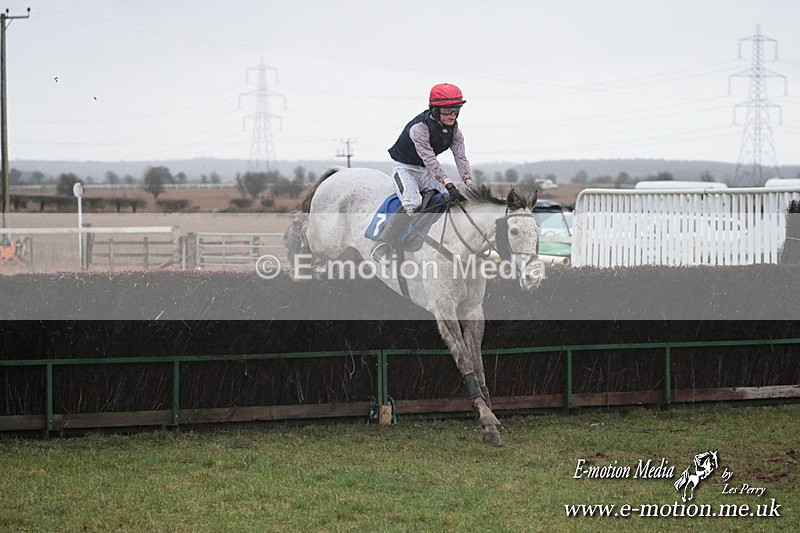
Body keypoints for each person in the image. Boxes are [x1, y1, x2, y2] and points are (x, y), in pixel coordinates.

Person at [370, 83, 475, 261]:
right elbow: (430, 159)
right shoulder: (418, 128)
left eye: (456, 110)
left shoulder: (455, 131)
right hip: (405, 168)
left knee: (452, 202)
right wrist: (447, 182)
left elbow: (461, 157)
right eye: (447, 111)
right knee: (413, 203)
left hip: (426, 172)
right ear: (434, 110)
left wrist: (469, 182)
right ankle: (383, 243)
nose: (452, 115)